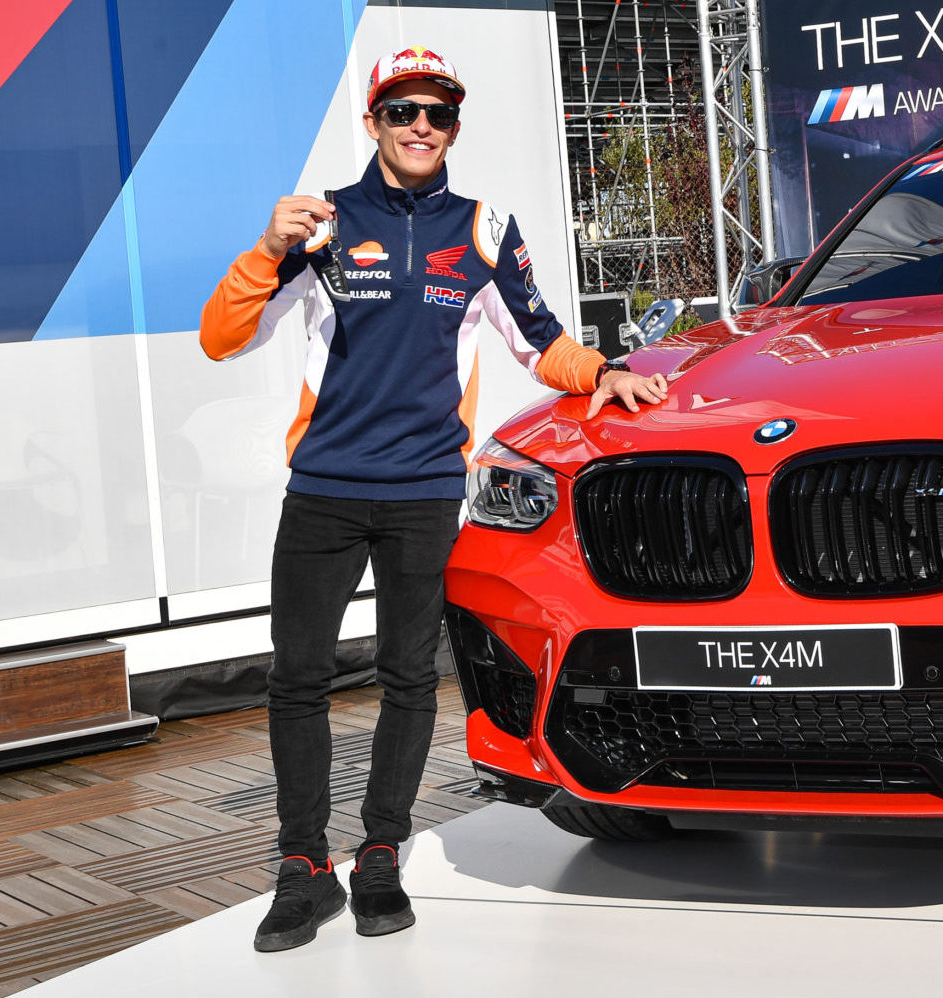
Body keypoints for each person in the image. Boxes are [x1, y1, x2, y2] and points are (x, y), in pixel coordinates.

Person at [198, 46, 669, 952]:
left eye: (439, 112)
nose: (421, 126)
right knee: (296, 679)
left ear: (454, 125)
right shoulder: (322, 225)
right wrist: (267, 248)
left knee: (411, 679)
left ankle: (380, 853)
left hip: (422, 497)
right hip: (324, 494)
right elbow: (224, 338)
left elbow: (543, 345)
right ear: (371, 121)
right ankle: (303, 865)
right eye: (403, 109)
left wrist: (605, 373)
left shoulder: (483, 229)